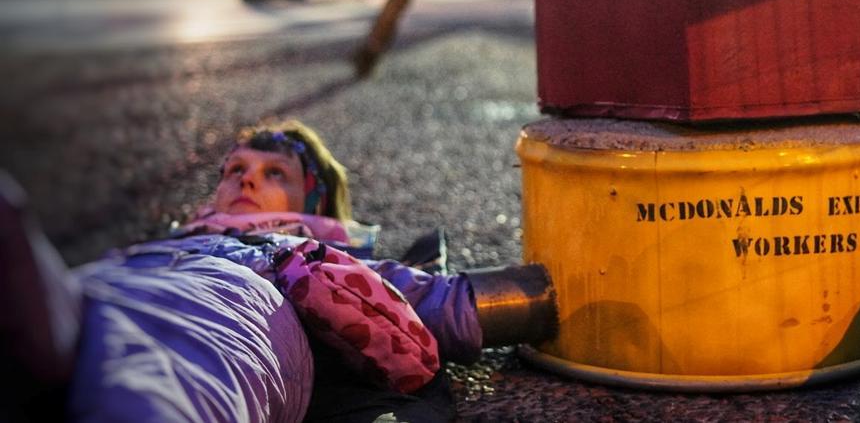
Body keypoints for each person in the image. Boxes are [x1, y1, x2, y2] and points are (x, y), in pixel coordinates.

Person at [0, 120, 540, 423]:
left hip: (220, 318)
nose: (246, 181)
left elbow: (441, 303)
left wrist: (567, 294)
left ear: (315, 202)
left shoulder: (312, 253)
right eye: (234, 170)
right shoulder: (171, 238)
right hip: (113, 286)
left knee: (140, 396)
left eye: (273, 172)